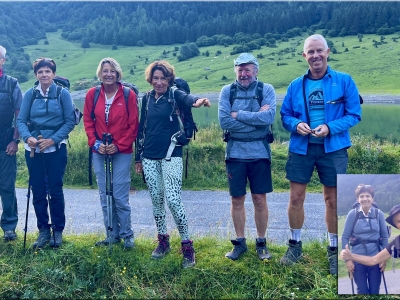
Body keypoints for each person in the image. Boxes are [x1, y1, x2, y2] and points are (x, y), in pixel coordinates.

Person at [279, 34, 362, 275]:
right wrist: (296, 125)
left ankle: (334, 250)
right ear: (304, 56)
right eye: (310, 52)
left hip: (333, 148)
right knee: (295, 198)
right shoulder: (296, 85)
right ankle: (294, 246)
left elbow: (355, 114)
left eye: (319, 51)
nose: (315, 56)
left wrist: (330, 127)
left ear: (327, 52)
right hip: (301, 148)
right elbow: (285, 116)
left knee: (333, 200)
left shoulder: (345, 81)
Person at [134, 60, 210, 268]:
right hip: (149, 156)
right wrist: (138, 157)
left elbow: (188, 100)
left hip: (171, 153)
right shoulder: (146, 99)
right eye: (155, 78)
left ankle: (187, 246)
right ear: (150, 79)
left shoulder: (174, 94)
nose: (159, 82)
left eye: (163, 78)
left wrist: (198, 101)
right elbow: (141, 130)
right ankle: (163, 241)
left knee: (174, 200)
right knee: (157, 200)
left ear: (169, 79)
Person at [218, 53, 276, 261]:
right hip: (235, 153)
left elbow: (268, 118)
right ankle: (240, 242)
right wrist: (255, 120)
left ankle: (261, 242)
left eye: (247, 69)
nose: (243, 74)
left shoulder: (266, 90)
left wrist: (238, 115)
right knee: (237, 199)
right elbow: (224, 121)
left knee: (260, 199)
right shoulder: (227, 91)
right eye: (240, 69)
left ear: (256, 70)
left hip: (260, 152)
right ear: (235, 71)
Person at [16, 57, 75, 248]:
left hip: (56, 149)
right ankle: (43, 230)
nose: (44, 75)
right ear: (36, 75)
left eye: (47, 71)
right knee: (38, 190)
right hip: (33, 149)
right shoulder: (30, 95)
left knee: (55, 190)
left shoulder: (62, 94)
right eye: (40, 72)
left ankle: (57, 230)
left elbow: (70, 121)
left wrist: (53, 139)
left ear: (54, 74)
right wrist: (28, 138)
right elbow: (21, 121)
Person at [83, 57, 139, 249]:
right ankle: (111, 234)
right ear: (100, 73)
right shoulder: (93, 94)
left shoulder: (127, 95)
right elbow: (88, 123)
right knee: (105, 193)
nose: (108, 74)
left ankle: (127, 235)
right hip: (100, 149)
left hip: (121, 151)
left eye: (112, 71)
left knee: (119, 194)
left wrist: (119, 145)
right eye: (105, 71)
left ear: (117, 74)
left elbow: (133, 126)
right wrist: (96, 143)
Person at [341, 184, 388, 294]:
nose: (365, 199)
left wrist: (384, 258)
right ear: (357, 199)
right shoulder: (353, 214)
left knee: (374, 291)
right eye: (361, 196)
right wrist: (348, 260)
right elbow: (344, 237)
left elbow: (385, 237)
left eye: (368, 196)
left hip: (376, 258)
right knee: (362, 291)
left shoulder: (379, 214)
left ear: (372, 198)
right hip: (357, 259)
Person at [0, 45, 23, 242]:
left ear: (3, 61)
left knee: (7, 187)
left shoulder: (12, 84)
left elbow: (20, 116)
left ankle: (9, 227)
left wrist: (15, 141)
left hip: (5, 144)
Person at [341, 204, 400, 273]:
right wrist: (349, 257)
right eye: (398, 221)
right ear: (396, 226)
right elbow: (373, 260)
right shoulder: (397, 243)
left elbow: (384, 236)